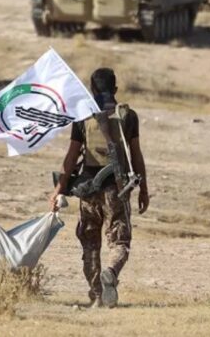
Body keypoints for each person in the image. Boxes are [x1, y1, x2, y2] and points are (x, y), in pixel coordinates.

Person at [50, 68, 148, 309]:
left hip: (88, 190)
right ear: (115, 89)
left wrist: (59, 188)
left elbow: (71, 156)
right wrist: (144, 188)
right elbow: (136, 155)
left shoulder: (82, 117)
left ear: (91, 90)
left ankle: (96, 296)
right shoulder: (128, 116)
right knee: (120, 241)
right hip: (116, 189)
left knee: (90, 245)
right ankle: (111, 272)